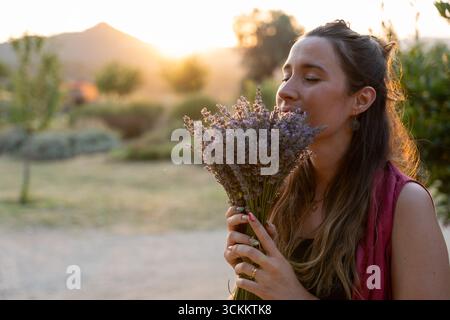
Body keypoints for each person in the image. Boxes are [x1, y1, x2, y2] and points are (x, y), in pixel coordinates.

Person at [224, 20, 450, 300]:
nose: (284, 91)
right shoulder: (275, 193)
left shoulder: (405, 204)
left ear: (361, 100)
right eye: (286, 76)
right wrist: (251, 272)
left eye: (311, 78)